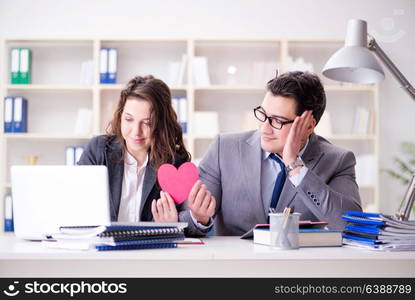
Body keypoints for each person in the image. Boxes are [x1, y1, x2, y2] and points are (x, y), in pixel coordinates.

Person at [184, 71, 362, 236]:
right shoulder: (224, 148)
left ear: (308, 126)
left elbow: (350, 226)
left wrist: (295, 166)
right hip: (237, 266)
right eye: (262, 114)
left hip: (298, 267)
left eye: (277, 121)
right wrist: (199, 219)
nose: (264, 128)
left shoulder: (338, 161)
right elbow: (185, 219)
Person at [78, 75, 196, 225]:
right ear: (120, 116)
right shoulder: (98, 150)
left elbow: (189, 219)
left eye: (147, 123)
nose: (136, 132)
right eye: (129, 119)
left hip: (151, 247)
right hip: (103, 244)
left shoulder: (174, 163)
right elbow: (76, 203)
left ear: (161, 124)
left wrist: (174, 224)